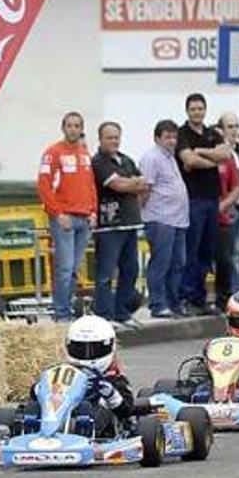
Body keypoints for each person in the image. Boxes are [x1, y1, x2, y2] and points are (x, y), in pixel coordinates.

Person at [28, 315, 133, 440]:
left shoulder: (113, 378)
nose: (87, 356)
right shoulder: (64, 373)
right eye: (80, 349)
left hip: (99, 431)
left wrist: (110, 394)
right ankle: (29, 432)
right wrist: (39, 389)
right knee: (32, 408)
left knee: (85, 408)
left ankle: (81, 434)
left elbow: (127, 411)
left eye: (95, 349)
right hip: (59, 413)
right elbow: (36, 395)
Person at [37, 111, 97, 323]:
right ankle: (61, 313)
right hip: (65, 219)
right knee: (64, 267)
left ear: (82, 129)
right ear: (63, 127)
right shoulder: (53, 153)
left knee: (73, 269)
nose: (73, 129)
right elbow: (43, 185)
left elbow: (90, 186)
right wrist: (57, 213)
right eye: (70, 125)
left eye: (77, 125)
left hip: (84, 218)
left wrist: (93, 211)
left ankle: (67, 309)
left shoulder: (84, 153)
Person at [91, 121, 148, 328]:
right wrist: (131, 184)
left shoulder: (127, 160)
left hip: (130, 224)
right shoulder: (98, 162)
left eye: (116, 137)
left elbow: (143, 184)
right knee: (106, 273)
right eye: (109, 137)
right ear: (100, 139)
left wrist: (130, 184)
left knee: (130, 270)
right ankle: (104, 315)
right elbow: (117, 185)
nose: (114, 141)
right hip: (108, 226)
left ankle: (121, 313)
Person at [175, 93, 227, 313]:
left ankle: (200, 297)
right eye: (193, 109)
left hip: (212, 198)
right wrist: (211, 160)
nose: (197, 112)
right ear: (187, 111)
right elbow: (188, 159)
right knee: (192, 250)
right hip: (193, 198)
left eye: (200, 108)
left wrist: (202, 153)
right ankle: (187, 296)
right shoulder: (181, 134)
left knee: (207, 250)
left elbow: (224, 154)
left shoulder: (212, 133)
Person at [139, 119, 189, 319]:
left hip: (177, 219)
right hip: (160, 218)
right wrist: (144, 214)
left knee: (178, 262)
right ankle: (158, 303)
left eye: (174, 137)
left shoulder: (170, 157)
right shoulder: (152, 158)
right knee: (161, 262)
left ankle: (173, 301)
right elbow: (145, 188)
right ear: (157, 138)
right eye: (167, 137)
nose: (172, 141)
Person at [214, 113, 239, 310]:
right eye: (230, 126)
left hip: (235, 209)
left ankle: (234, 293)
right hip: (216, 213)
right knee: (225, 256)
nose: (234, 130)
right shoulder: (217, 154)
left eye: (236, 126)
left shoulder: (238, 154)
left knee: (236, 254)